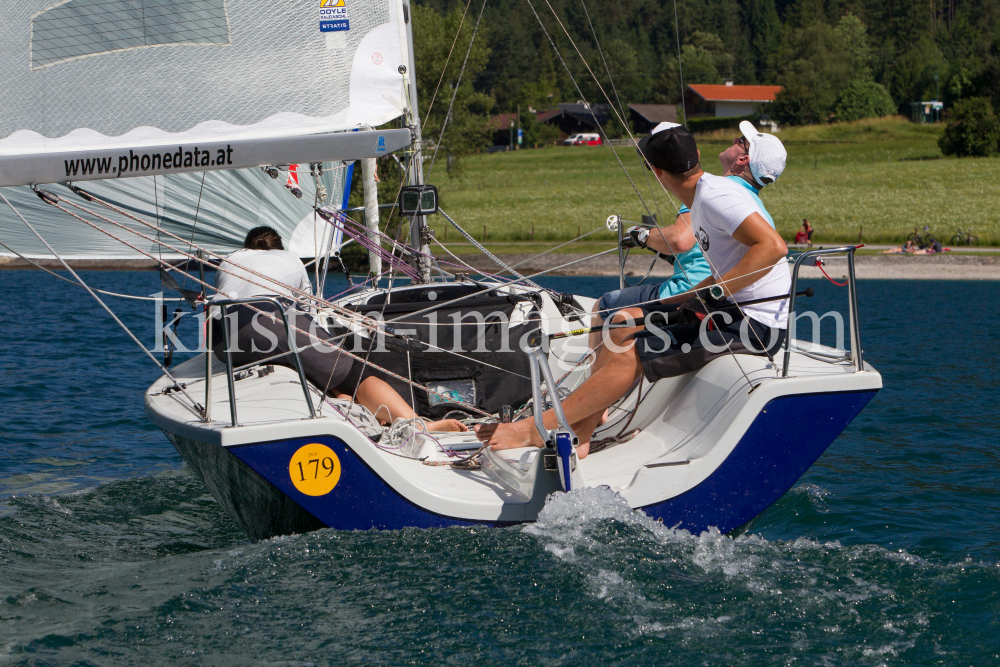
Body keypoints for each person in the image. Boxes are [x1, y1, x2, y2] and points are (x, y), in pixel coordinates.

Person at [477, 122, 790, 456]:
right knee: (622, 321)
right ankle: (581, 431)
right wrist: (687, 299)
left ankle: (532, 430)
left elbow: (773, 247)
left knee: (630, 353)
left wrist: (715, 294)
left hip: (753, 325)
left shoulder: (715, 196)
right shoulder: (705, 194)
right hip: (728, 308)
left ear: (656, 172)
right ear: (697, 156)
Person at [212, 226, 466, 432]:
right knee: (354, 372)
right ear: (279, 247)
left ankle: (340, 395)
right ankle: (420, 425)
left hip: (224, 341)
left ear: (247, 246)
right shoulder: (289, 260)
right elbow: (309, 315)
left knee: (299, 356)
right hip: (272, 322)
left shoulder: (229, 260)